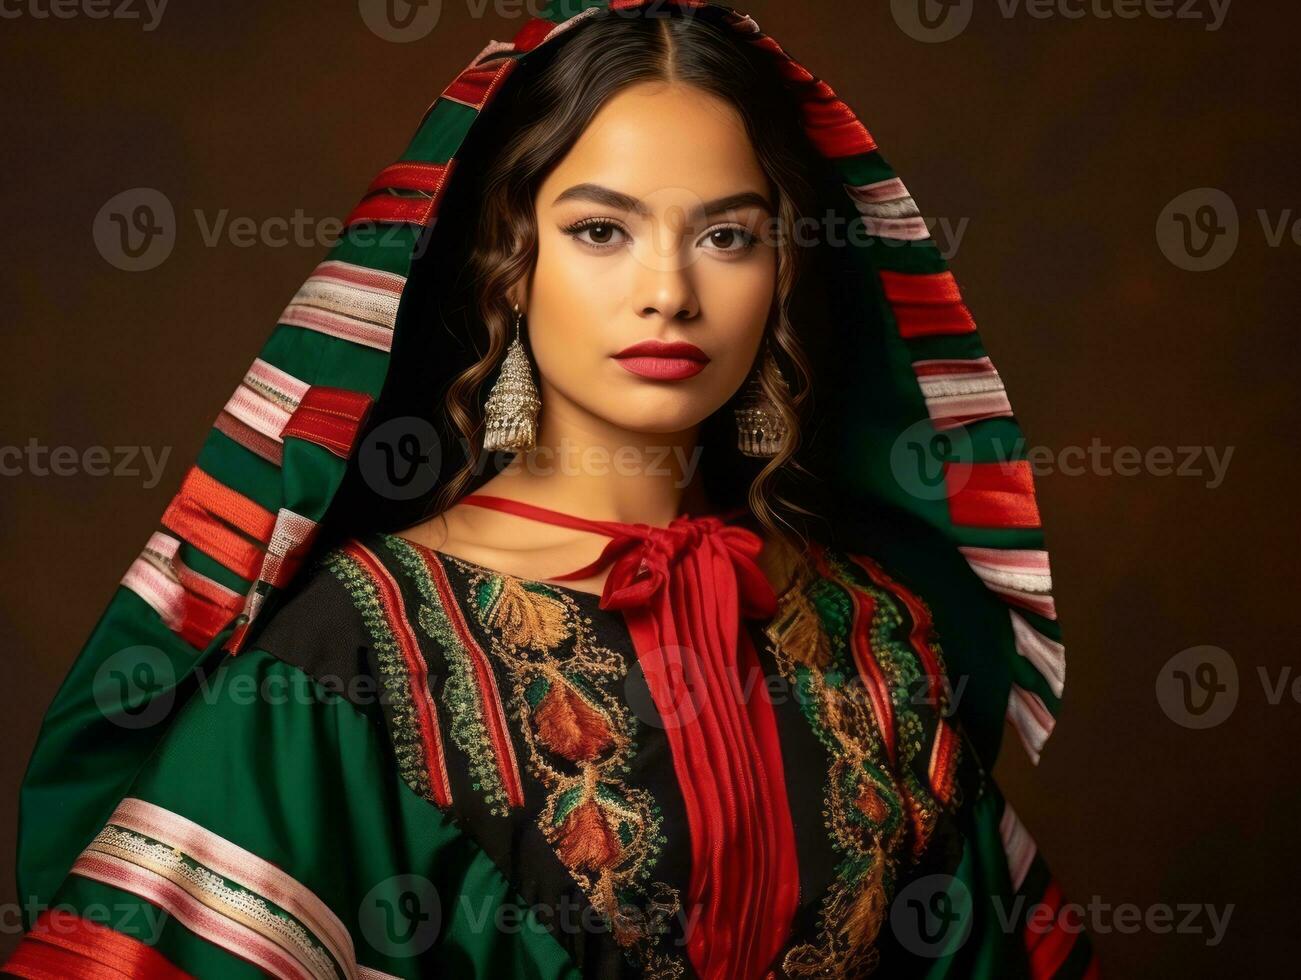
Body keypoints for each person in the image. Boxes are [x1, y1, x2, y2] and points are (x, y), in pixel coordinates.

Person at [4, 2, 1092, 977]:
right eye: (600, 230)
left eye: (725, 235)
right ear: (510, 261)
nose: (668, 290)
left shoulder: (872, 639)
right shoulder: (357, 652)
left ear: (784, 268)